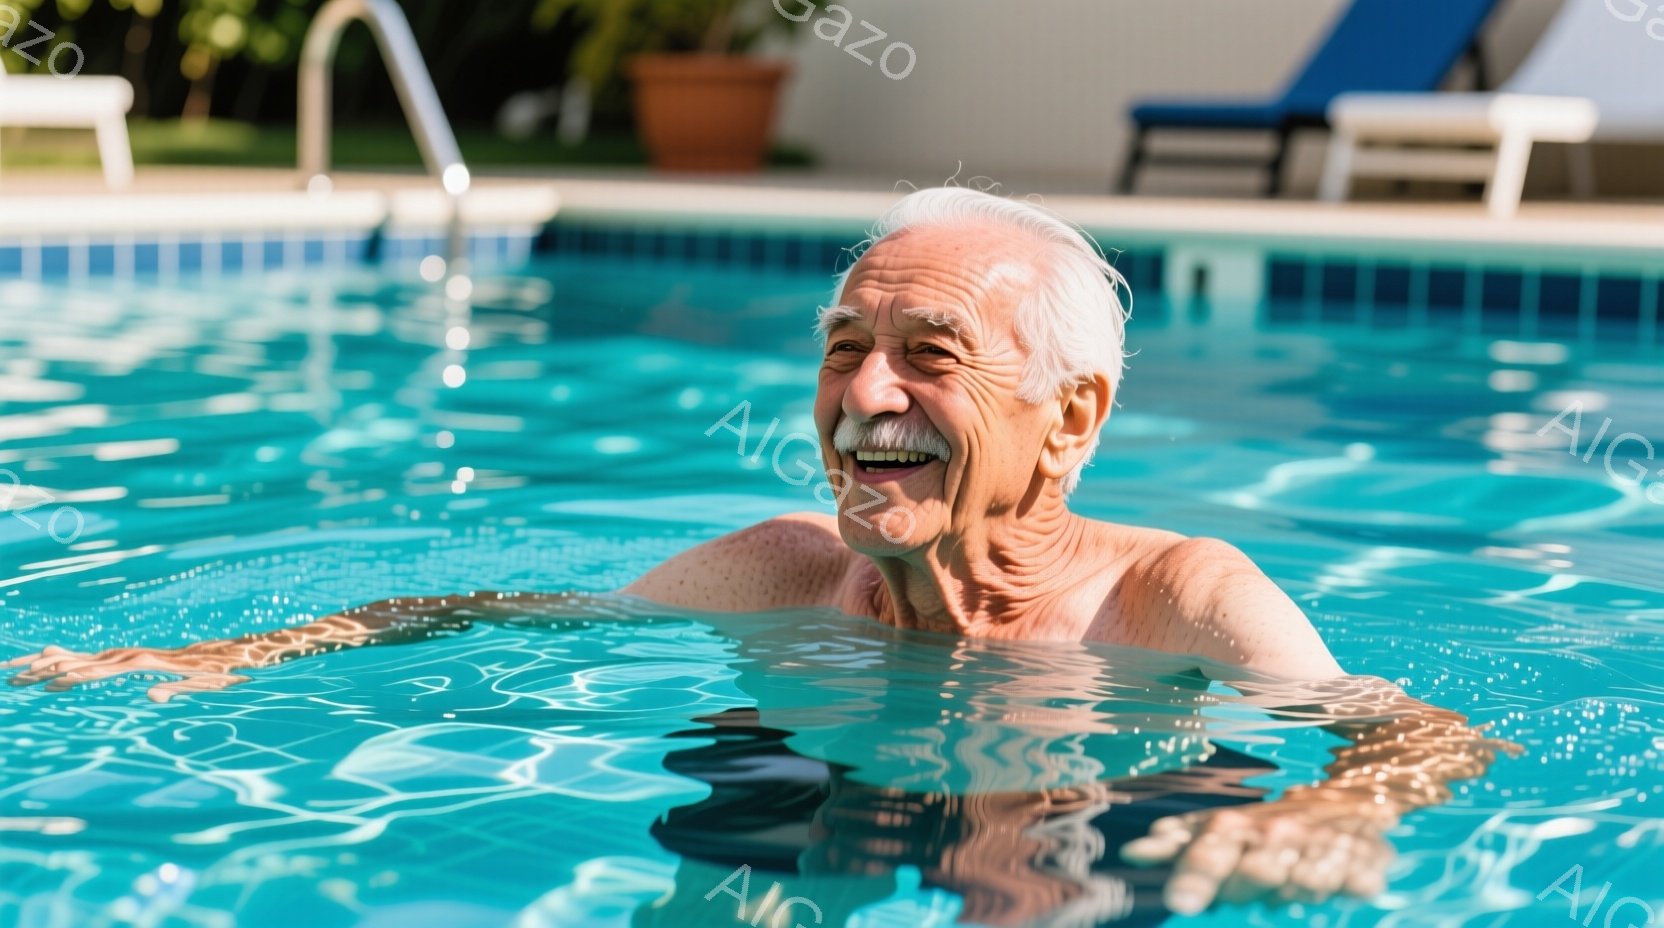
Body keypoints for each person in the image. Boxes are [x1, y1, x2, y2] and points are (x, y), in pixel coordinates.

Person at [8, 187, 1516, 916]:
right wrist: (213, 657)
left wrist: (1343, 812)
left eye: (930, 356)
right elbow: (490, 612)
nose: (865, 397)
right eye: (846, 349)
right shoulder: (789, 572)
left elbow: (1423, 730)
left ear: (1070, 421)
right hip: (817, 792)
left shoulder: (1173, 596)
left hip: (1090, 798)